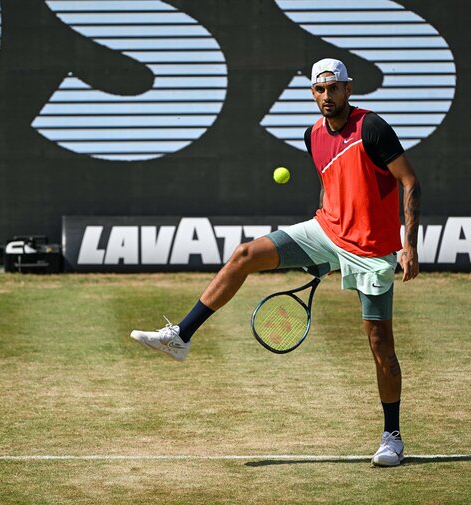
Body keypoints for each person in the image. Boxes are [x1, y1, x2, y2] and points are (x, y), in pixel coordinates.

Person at [130, 58, 421, 467]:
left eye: (334, 88)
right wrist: (325, 250)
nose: (326, 96)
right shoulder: (313, 134)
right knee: (245, 254)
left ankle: (392, 436)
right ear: (312, 93)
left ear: (348, 90)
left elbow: (409, 181)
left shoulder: (371, 128)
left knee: (381, 346)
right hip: (326, 230)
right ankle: (181, 335)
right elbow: (330, 186)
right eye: (319, 90)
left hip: (373, 249)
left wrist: (409, 246)